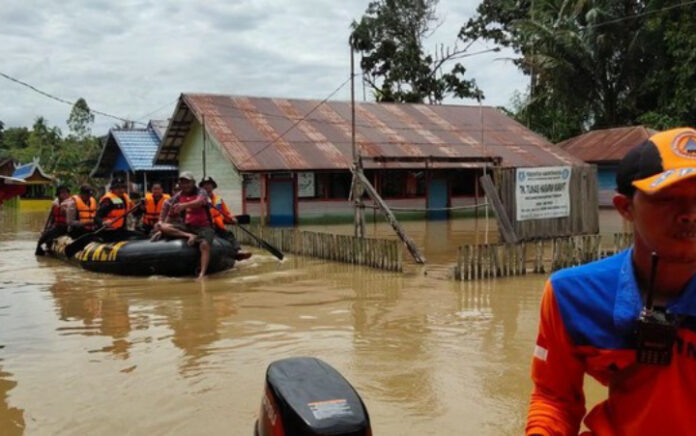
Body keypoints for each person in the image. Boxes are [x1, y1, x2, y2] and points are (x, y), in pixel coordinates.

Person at [526, 128, 696, 435]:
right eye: (669, 198)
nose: (690, 214)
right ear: (625, 208)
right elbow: (554, 398)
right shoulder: (570, 296)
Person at [157, 172, 214, 279]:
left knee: (204, 245)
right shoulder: (178, 196)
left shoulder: (201, 192)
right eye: (182, 183)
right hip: (188, 226)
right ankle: (189, 236)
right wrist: (162, 225)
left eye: (187, 183)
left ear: (193, 183)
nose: (185, 185)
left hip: (204, 227)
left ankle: (202, 273)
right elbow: (169, 209)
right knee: (163, 226)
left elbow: (200, 202)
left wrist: (184, 205)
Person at [95, 178, 140, 242]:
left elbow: (134, 211)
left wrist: (140, 208)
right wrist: (103, 223)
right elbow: (97, 217)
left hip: (121, 230)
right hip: (109, 231)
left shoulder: (125, 197)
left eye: (122, 188)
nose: (121, 190)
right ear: (112, 189)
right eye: (118, 188)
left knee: (139, 236)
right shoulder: (108, 200)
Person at [35, 185, 71, 255]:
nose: (65, 194)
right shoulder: (55, 204)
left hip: (67, 227)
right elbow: (51, 219)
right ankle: (42, 253)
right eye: (62, 193)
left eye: (66, 193)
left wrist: (66, 212)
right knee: (41, 240)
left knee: (49, 237)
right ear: (58, 195)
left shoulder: (72, 203)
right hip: (58, 227)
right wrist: (46, 229)